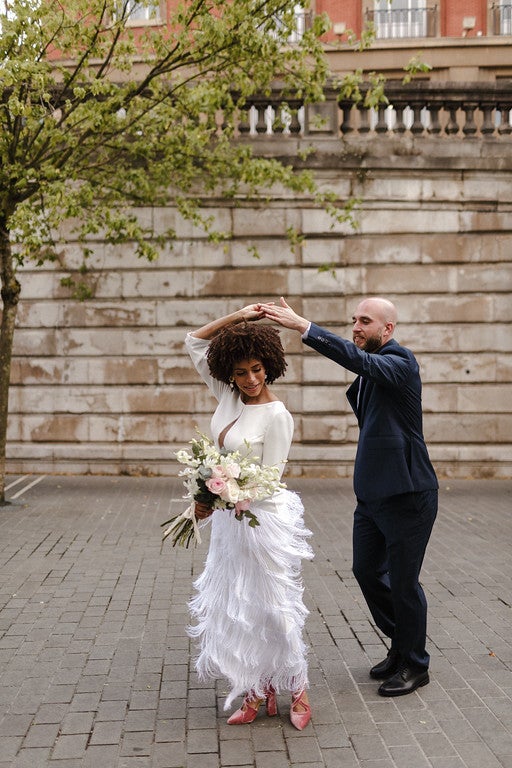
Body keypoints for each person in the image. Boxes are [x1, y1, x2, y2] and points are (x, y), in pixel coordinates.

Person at [262, 296, 438, 697]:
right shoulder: (369, 374)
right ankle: (403, 644)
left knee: (405, 583)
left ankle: (415, 663)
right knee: (366, 571)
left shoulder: (400, 361)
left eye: (365, 321)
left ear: (387, 329)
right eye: (353, 320)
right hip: (372, 496)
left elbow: (361, 362)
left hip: (409, 494)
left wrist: (304, 327)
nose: (356, 327)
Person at [184, 304, 314, 728]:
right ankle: (258, 690)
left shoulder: (278, 416)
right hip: (230, 522)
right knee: (241, 607)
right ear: (230, 373)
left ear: (269, 366)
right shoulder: (226, 394)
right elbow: (193, 341)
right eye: (241, 372)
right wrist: (238, 317)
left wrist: (220, 492)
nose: (251, 379)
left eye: (257, 369)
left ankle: (299, 689)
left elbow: (272, 480)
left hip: (264, 522)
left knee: (275, 607)